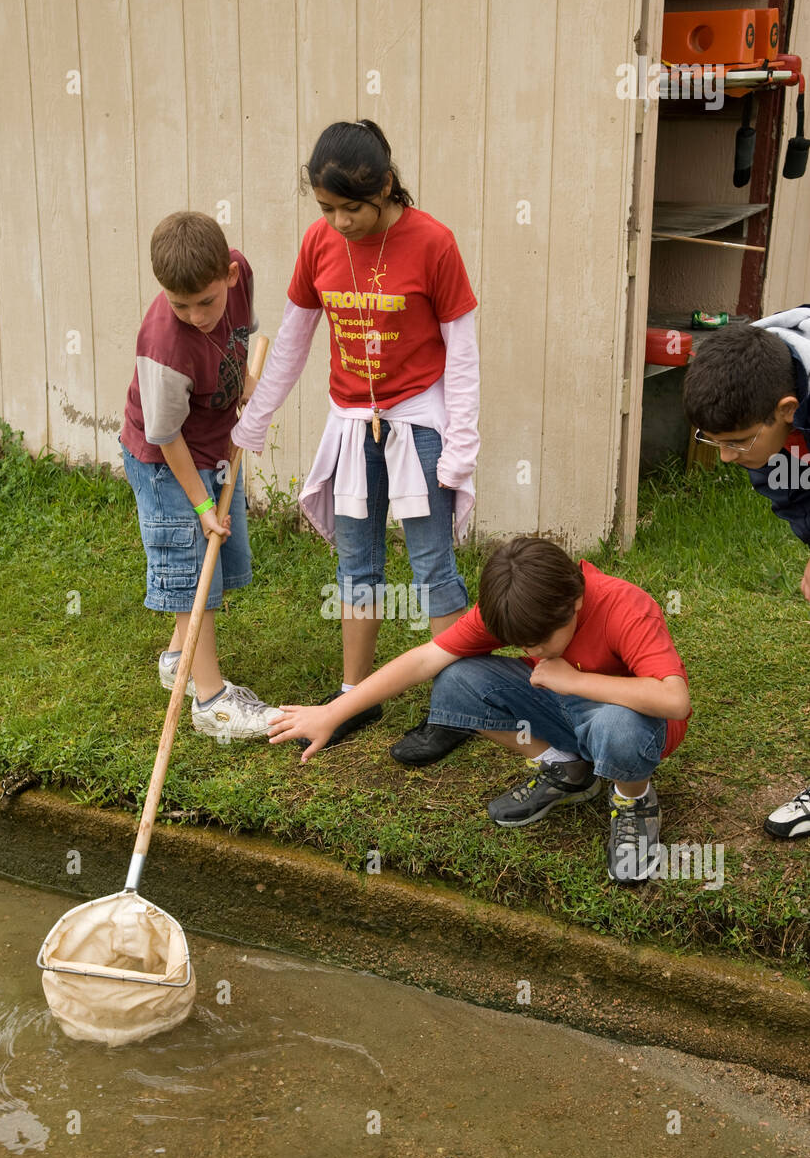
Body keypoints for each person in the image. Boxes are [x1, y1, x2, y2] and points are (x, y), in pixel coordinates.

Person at [232, 119, 480, 750]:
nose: (339, 222)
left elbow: (463, 353)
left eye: (352, 208)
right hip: (350, 424)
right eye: (326, 208)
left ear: (387, 186)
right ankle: (352, 698)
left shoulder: (434, 243)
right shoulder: (318, 244)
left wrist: (461, 445)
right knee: (355, 564)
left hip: (418, 421)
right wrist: (255, 418)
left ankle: (453, 709)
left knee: (431, 563)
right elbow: (290, 342)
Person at [267, 537, 691, 883]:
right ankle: (565, 767)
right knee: (456, 680)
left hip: (633, 724)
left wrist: (574, 680)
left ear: (575, 604)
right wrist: (333, 712)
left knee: (618, 728)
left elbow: (675, 700)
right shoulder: (515, 605)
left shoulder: (624, 605)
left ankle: (633, 799)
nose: (531, 652)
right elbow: (423, 660)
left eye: (540, 642)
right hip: (561, 710)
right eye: (521, 644)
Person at [119, 211, 281, 739]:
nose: (194, 315)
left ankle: (177, 660)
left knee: (214, 559)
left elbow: (240, 336)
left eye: (206, 301)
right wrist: (203, 507)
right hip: (166, 462)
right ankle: (211, 702)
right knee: (193, 566)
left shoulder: (241, 274)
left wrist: (246, 384)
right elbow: (166, 438)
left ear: (229, 276)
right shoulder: (165, 348)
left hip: (213, 442)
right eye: (179, 304)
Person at [683, 305, 810, 838]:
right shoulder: (752, 371)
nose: (728, 458)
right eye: (715, 441)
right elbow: (791, 488)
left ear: (786, 408)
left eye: (737, 442)